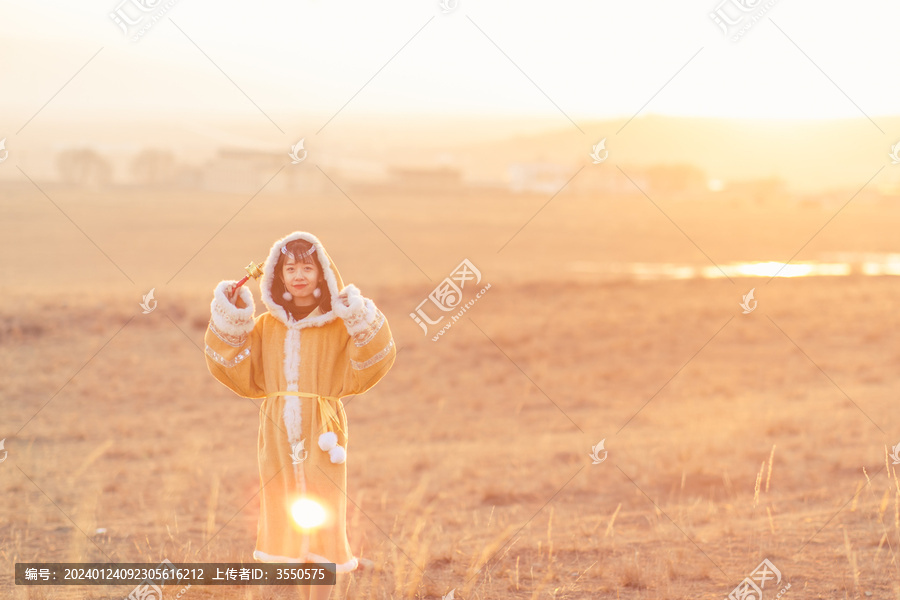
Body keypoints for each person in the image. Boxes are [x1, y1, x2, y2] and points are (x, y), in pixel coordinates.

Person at [204, 231, 396, 600]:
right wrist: (233, 315)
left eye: (307, 266)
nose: (299, 275)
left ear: (322, 272)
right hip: (277, 433)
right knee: (282, 509)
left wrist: (356, 314)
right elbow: (233, 369)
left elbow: (375, 359)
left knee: (324, 511)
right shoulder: (265, 328)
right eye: (290, 267)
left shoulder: (339, 326)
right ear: (279, 275)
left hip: (321, 431)